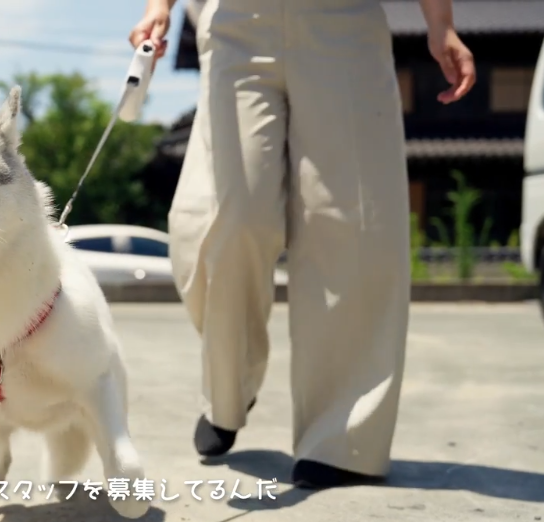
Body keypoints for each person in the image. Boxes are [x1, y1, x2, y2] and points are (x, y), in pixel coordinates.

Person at [129, 0, 475, 488]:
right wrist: (157, 8)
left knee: (350, 226)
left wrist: (442, 25)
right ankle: (227, 387)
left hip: (343, 23)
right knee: (227, 221)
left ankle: (342, 434)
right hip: (235, 24)